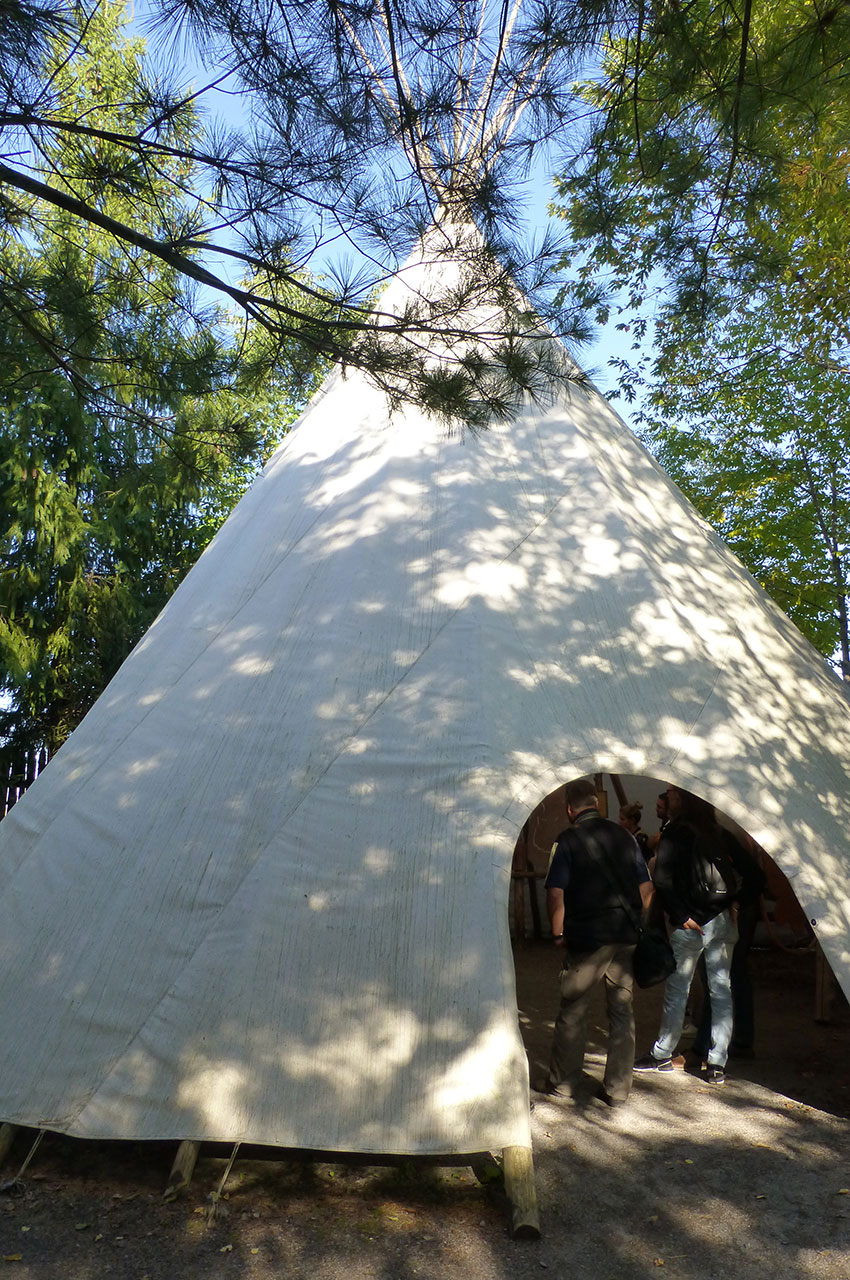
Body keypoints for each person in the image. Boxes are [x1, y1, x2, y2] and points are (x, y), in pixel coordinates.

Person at [535, 776, 653, 1108]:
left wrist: (557, 933)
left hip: (587, 939)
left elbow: (556, 892)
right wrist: (637, 923)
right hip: (624, 936)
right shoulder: (627, 838)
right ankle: (617, 1089)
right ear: (597, 804)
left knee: (573, 1009)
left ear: (570, 808)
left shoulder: (567, 841)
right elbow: (647, 890)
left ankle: (564, 1083)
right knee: (621, 1011)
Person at [634, 786, 742, 1085]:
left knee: (678, 990)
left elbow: (663, 880)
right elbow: (751, 872)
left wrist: (682, 917)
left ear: (683, 799)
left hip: (691, 924)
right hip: (722, 921)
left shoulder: (676, 832)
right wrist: (734, 901)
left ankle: (662, 1053)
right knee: (721, 992)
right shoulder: (719, 832)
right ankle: (717, 1062)